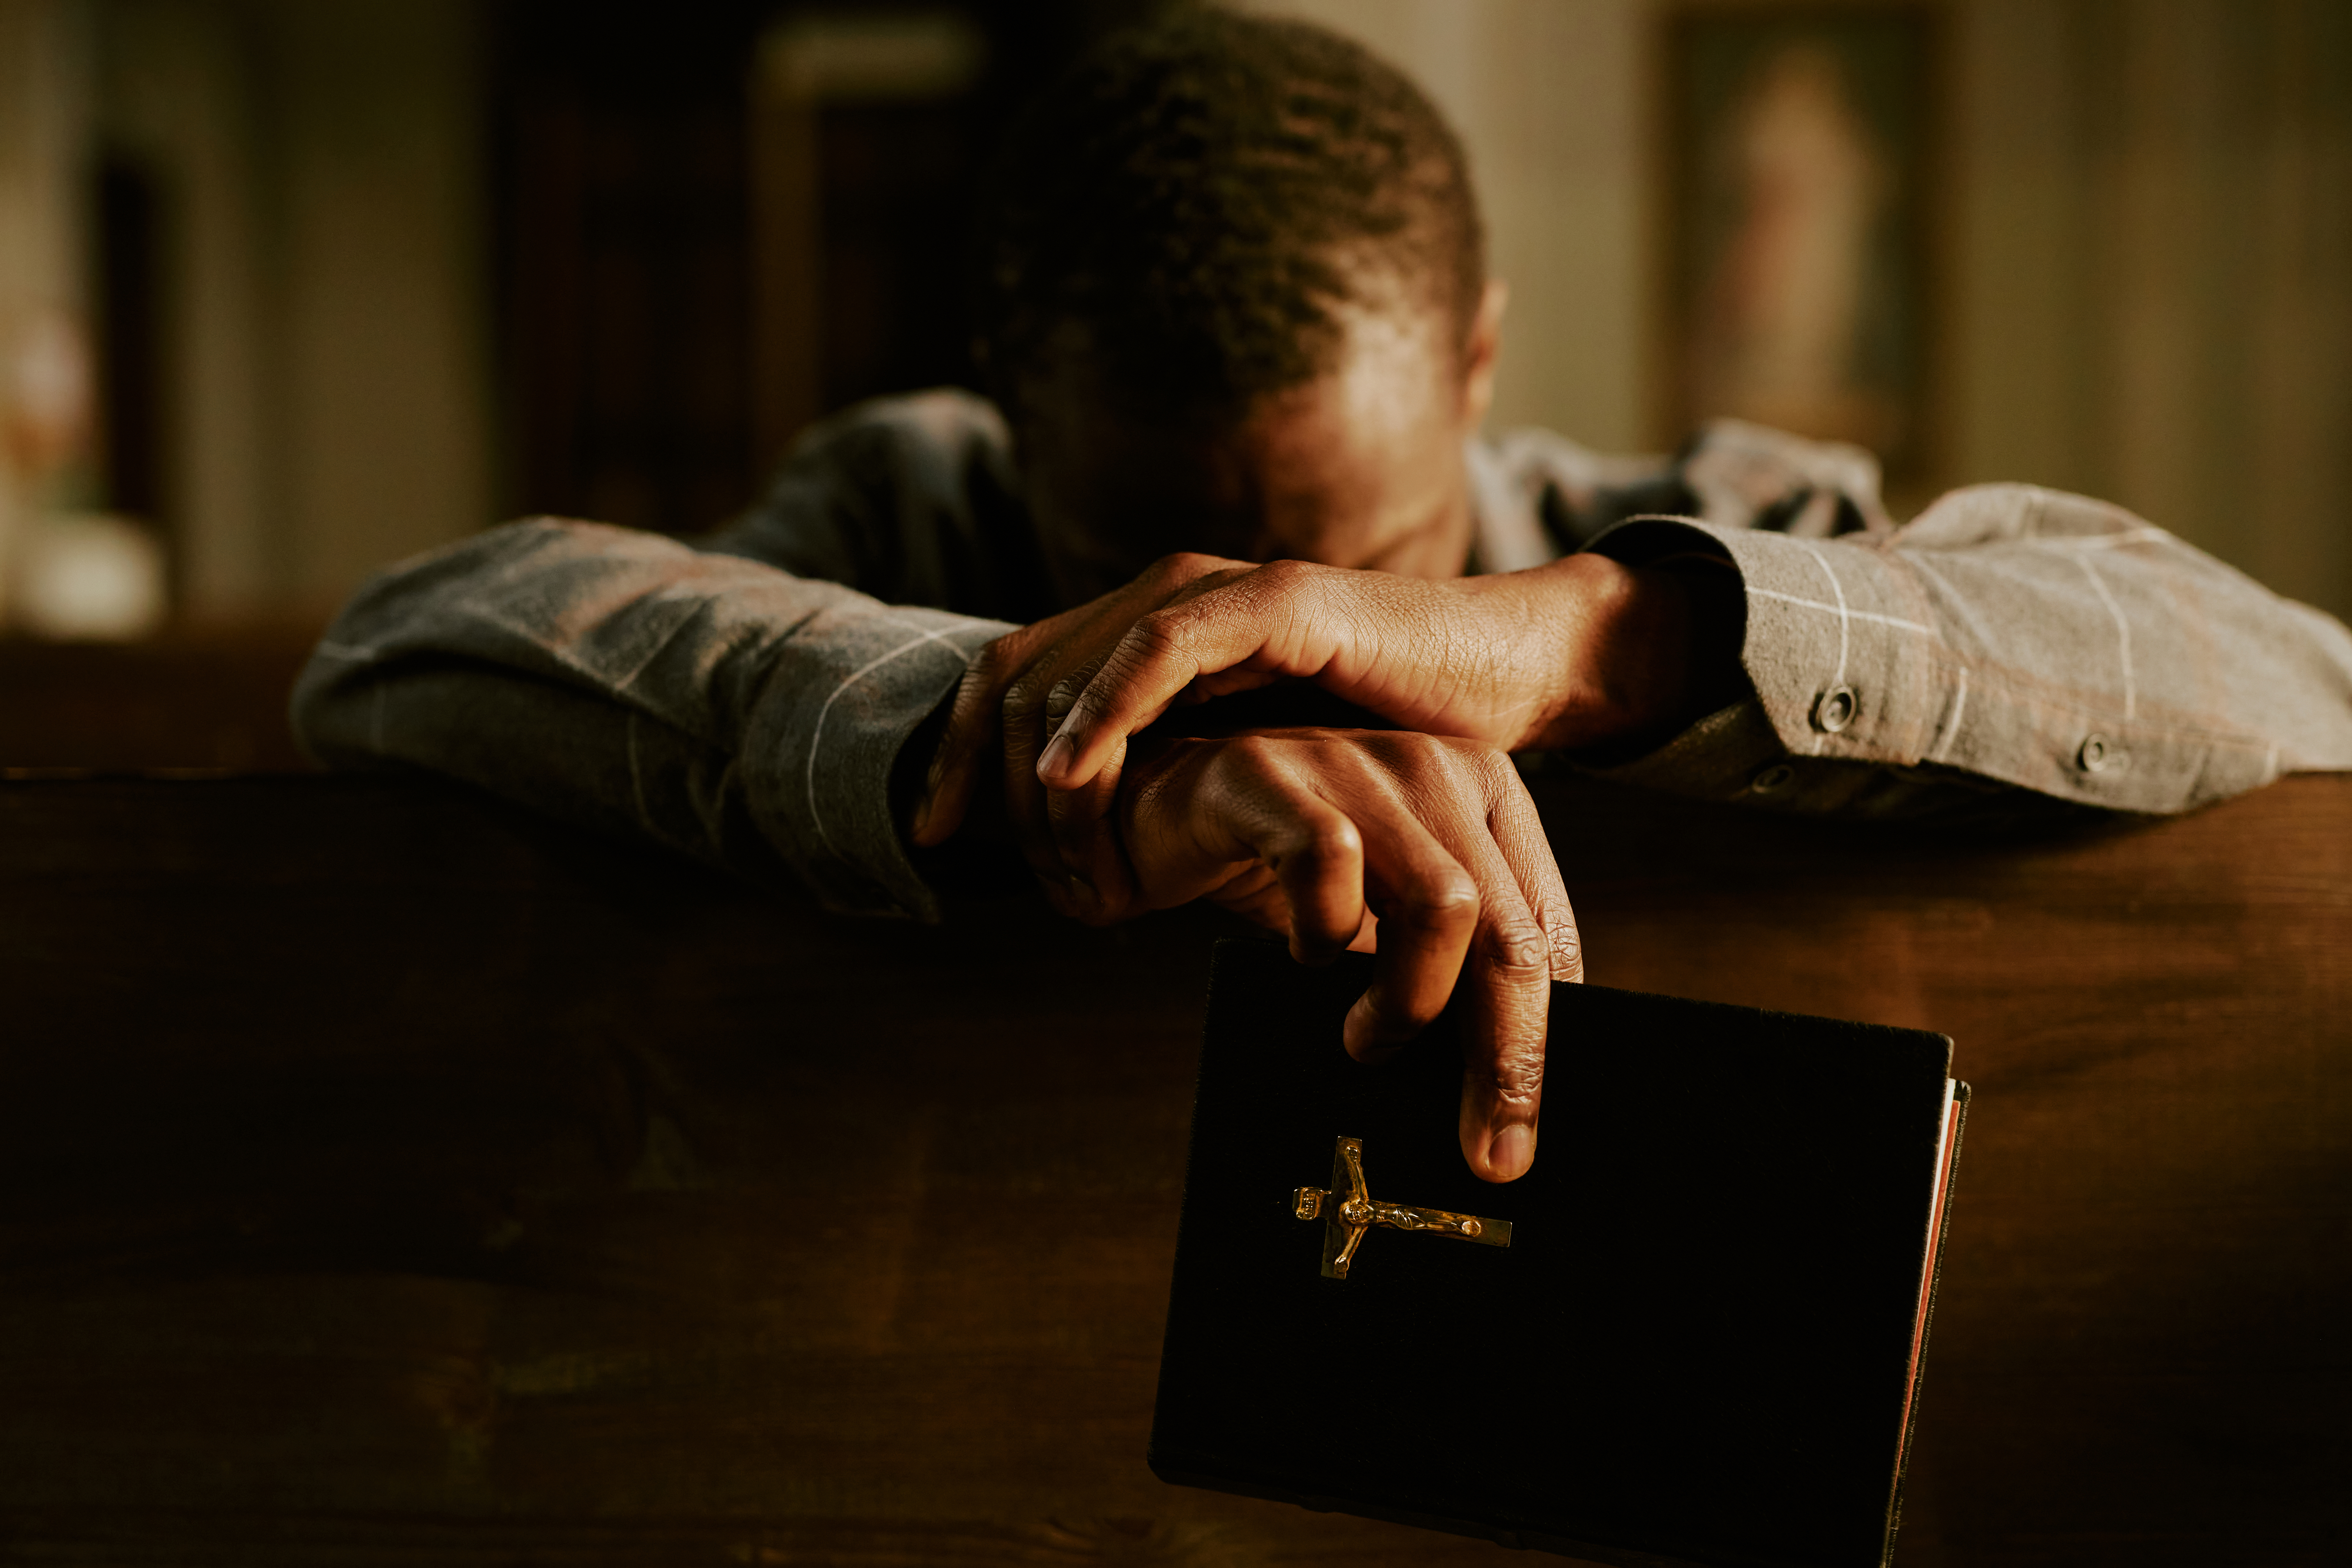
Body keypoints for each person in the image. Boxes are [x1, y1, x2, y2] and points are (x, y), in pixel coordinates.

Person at [292, 7, 2352, 1185]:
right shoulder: (907, 502)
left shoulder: (1722, 510)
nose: (1279, 636)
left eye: (1347, 560)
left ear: (1476, 366)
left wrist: (1589, 642)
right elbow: (399, 653)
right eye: (1152, 567)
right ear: (1009, 412)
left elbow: (2299, 677)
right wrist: (1017, 726)